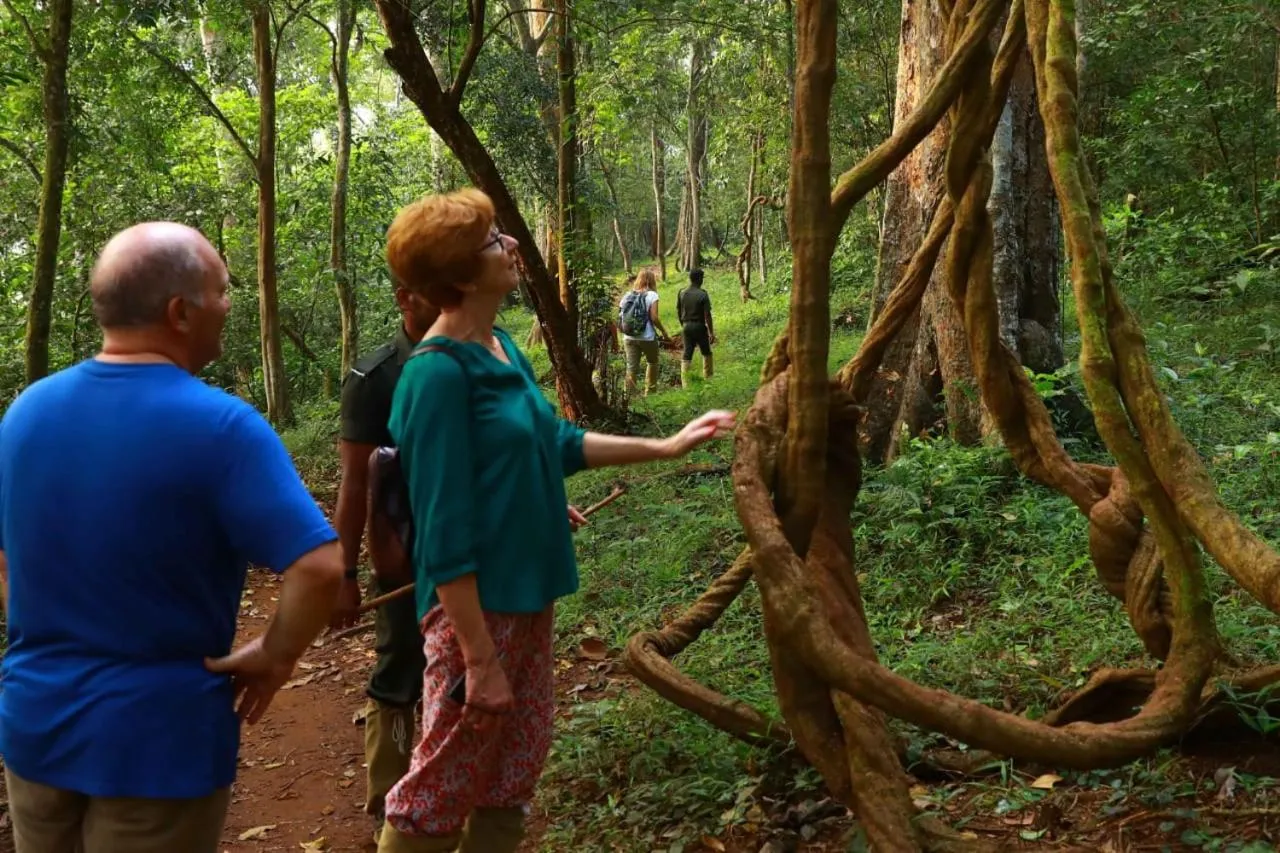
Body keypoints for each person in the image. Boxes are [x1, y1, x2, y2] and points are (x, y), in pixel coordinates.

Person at [375, 189, 735, 853]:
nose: (510, 245)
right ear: (458, 275)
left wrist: (666, 445)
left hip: (530, 594)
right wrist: (478, 657)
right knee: (440, 778)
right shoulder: (436, 377)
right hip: (475, 616)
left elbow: (555, 444)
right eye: (491, 242)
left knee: (512, 768)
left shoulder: (501, 346)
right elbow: (444, 529)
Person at [0, 222, 343, 853]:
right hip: (158, 746)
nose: (229, 304)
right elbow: (320, 566)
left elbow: (6, 563)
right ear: (180, 312)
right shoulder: (222, 426)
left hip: (35, 732)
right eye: (222, 290)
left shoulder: (25, 413)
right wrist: (275, 656)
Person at [330, 277, 440, 829]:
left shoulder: (484, 356)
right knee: (400, 668)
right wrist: (345, 572)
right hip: (404, 558)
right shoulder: (373, 380)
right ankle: (391, 802)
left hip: (478, 552)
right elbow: (355, 484)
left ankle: (452, 792)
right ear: (406, 295)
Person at [617, 267, 671, 395]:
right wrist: (664, 332)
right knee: (652, 362)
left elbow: (620, 316)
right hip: (647, 337)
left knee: (631, 367)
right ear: (652, 281)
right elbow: (654, 317)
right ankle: (650, 392)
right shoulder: (652, 295)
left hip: (629, 337)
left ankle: (629, 396)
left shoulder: (627, 295)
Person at [676, 268, 716, 388]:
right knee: (706, 352)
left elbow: (678, 310)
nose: (702, 280)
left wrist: (683, 324)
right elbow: (707, 315)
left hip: (686, 326)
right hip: (699, 326)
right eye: (702, 278)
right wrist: (711, 332)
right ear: (699, 279)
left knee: (687, 353)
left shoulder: (681, 292)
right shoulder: (703, 294)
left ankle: (685, 384)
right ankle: (708, 379)